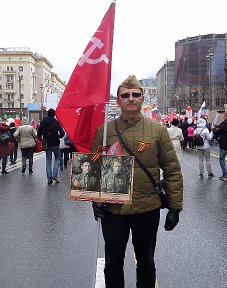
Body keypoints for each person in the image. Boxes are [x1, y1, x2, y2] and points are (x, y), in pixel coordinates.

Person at [91, 75, 183, 288]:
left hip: (147, 209)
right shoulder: (104, 132)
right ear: (118, 99)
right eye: (125, 95)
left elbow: (172, 169)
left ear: (143, 98)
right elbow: (93, 167)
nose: (130, 98)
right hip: (113, 210)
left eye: (135, 94)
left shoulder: (157, 130)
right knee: (113, 264)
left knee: (146, 263)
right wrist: (94, 198)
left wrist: (175, 208)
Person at [37, 108, 65, 184]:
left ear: (47, 114)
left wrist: (42, 138)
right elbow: (62, 133)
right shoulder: (56, 122)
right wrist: (57, 136)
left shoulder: (43, 122)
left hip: (47, 143)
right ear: (54, 114)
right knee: (58, 158)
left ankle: (49, 179)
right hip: (55, 143)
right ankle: (55, 175)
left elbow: (38, 134)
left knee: (48, 160)